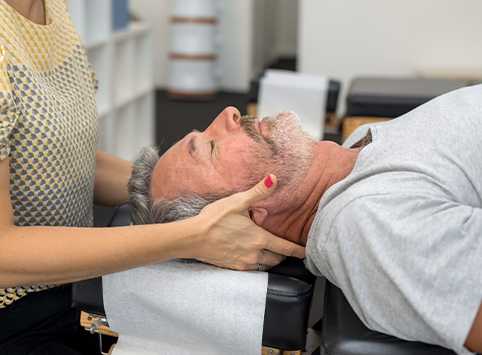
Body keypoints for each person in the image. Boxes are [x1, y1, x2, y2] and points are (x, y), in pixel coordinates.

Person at [0, 1, 305, 353]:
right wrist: (194, 236)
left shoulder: (51, 9)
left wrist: (193, 196)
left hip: (65, 290)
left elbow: (57, 161)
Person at [127, 85, 482, 354]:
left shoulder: (353, 148)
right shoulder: (367, 225)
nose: (228, 114)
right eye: (211, 147)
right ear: (246, 216)